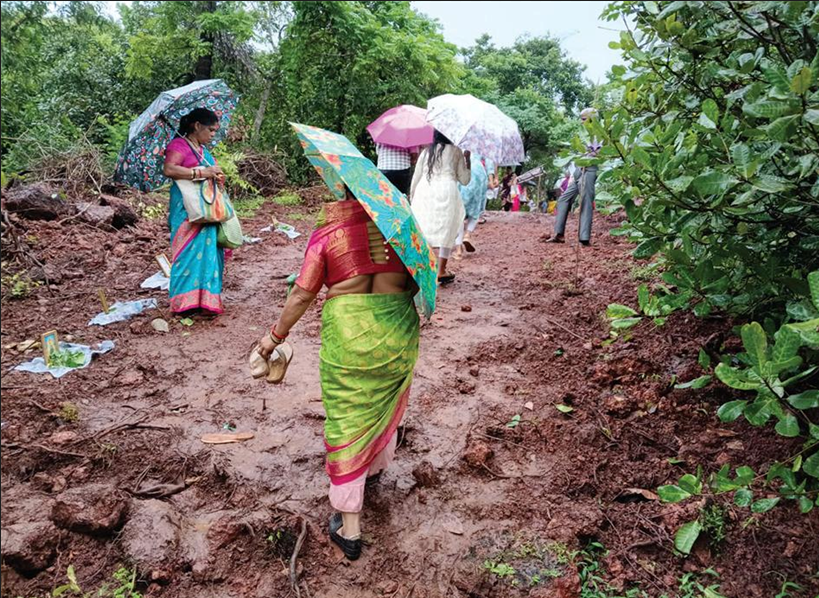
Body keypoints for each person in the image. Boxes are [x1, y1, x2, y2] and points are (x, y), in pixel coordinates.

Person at [256, 186, 419, 562]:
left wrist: (273, 338)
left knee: (346, 414)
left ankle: (350, 528)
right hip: (395, 330)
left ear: (343, 191)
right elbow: (415, 283)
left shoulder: (330, 232)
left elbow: (302, 294)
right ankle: (371, 467)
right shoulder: (400, 228)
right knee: (380, 401)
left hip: (347, 335)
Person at [162, 108, 227, 315]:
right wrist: (201, 172)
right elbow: (169, 169)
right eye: (211, 130)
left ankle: (206, 302)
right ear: (197, 126)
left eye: (215, 131)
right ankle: (184, 304)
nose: (213, 134)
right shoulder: (179, 145)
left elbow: (209, 173)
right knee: (187, 253)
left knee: (210, 252)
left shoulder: (202, 150)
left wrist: (216, 176)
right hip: (186, 210)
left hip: (207, 209)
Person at [409, 130, 471, 284]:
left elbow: (416, 176)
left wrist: (412, 195)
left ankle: (422, 269)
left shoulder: (426, 152)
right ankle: (441, 270)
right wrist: (467, 160)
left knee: (423, 228)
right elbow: (464, 180)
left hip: (425, 190)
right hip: (447, 190)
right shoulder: (456, 151)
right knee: (447, 229)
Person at [546, 108, 602, 246]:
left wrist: (589, 155)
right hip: (578, 170)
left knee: (586, 202)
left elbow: (600, 154)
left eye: (584, 119)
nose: (581, 122)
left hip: (589, 170)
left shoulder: (598, 134)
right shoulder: (583, 134)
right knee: (563, 199)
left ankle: (584, 238)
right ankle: (559, 234)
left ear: (591, 119)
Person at [453, 153, 489, 259]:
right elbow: (490, 164)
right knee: (475, 211)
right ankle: (467, 235)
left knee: (459, 215)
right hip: (479, 175)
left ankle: (458, 250)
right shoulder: (483, 149)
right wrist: (492, 178)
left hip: (462, 174)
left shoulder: (457, 148)